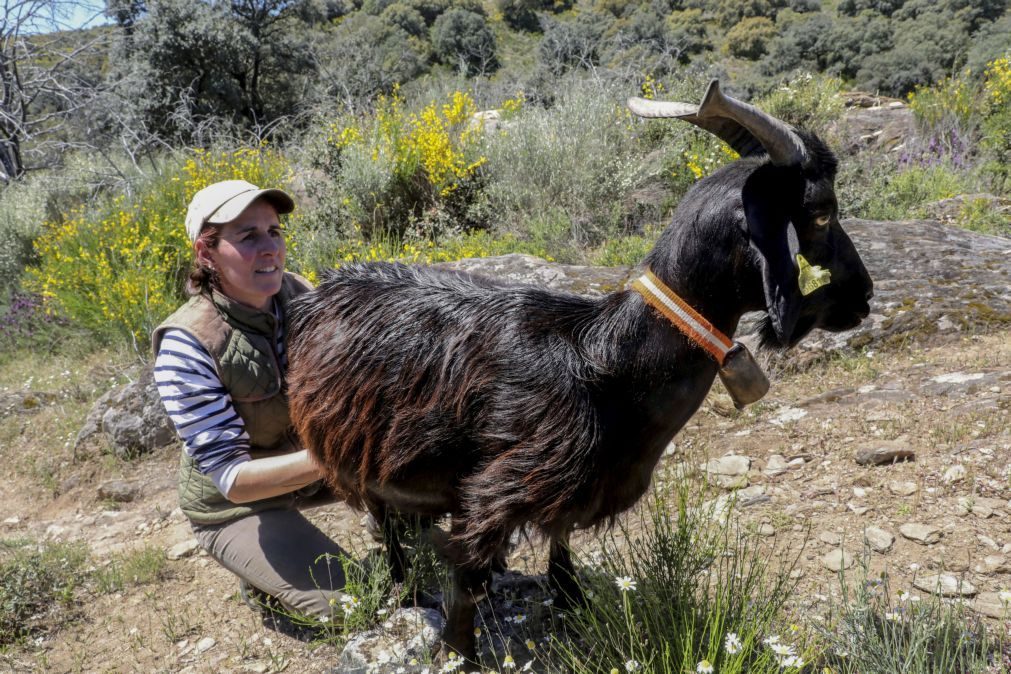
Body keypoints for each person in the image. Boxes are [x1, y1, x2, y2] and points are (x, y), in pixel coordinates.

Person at [153, 179, 347, 621]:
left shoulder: (303, 297)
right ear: (206, 253)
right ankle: (259, 574)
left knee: (429, 525)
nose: (270, 248)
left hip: (310, 468)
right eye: (247, 236)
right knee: (349, 606)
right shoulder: (188, 345)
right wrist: (343, 454)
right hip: (235, 503)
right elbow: (233, 479)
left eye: (274, 232)